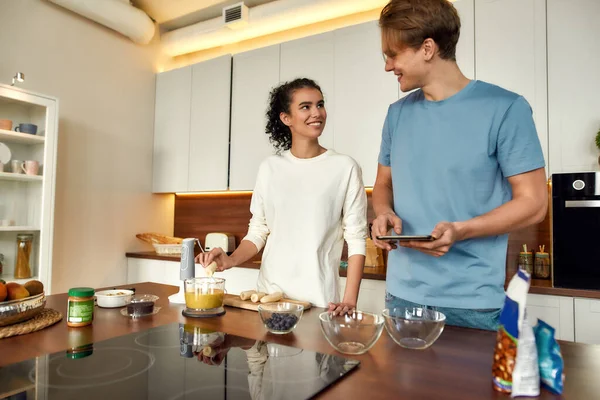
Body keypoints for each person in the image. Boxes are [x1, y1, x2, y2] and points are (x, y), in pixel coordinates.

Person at [370, 0, 548, 331]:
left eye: (392, 55)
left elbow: (535, 203)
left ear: (427, 48)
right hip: (402, 298)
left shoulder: (506, 108)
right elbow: (384, 184)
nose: (388, 66)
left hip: (472, 304)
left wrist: (461, 230)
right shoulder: (396, 115)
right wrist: (383, 212)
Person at [197, 78, 368, 314]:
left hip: (319, 301)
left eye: (320, 104)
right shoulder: (270, 168)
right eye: (305, 107)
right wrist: (230, 260)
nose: (317, 113)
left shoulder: (345, 167)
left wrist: (349, 300)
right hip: (268, 298)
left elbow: (357, 238)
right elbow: (258, 231)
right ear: (286, 118)